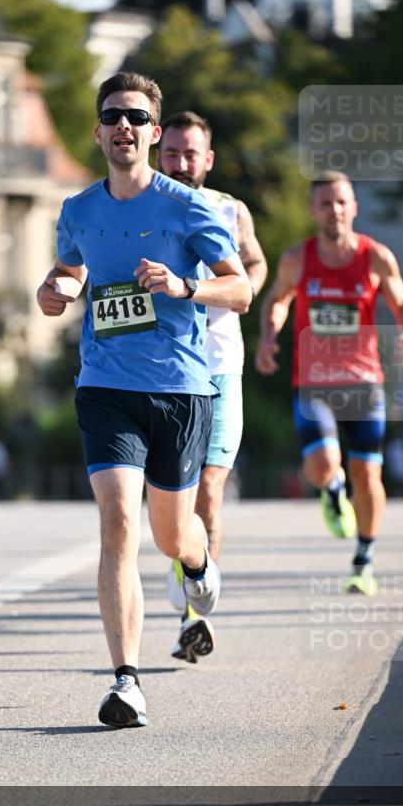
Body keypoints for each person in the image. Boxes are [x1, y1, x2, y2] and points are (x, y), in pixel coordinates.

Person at [36, 73, 250, 728]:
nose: (122, 125)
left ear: (153, 133)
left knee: (168, 533)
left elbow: (238, 290)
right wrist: (56, 288)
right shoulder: (77, 209)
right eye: (112, 115)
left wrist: (183, 286)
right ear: (99, 131)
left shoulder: (189, 207)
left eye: (135, 116)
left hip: (181, 390)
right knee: (117, 522)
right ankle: (125, 680)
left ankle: (197, 559)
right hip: (104, 386)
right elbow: (71, 268)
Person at [255, 170, 403, 596]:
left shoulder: (375, 256)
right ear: (314, 210)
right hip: (313, 382)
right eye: (326, 203)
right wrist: (270, 334)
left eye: (342, 201)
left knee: (368, 472)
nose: (336, 210)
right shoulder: (298, 258)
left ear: (354, 207)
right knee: (325, 465)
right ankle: (331, 489)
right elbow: (276, 300)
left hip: (363, 381)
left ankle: (364, 559)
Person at [157, 110, 267, 663]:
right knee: (172, 495)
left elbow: (254, 267)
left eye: (190, 153)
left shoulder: (230, 209)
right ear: (160, 153)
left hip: (221, 363)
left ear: (209, 159)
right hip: (164, 368)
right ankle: (185, 562)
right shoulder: (143, 206)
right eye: (172, 152)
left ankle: (193, 613)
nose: (181, 162)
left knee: (209, 490)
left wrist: (230, 292)